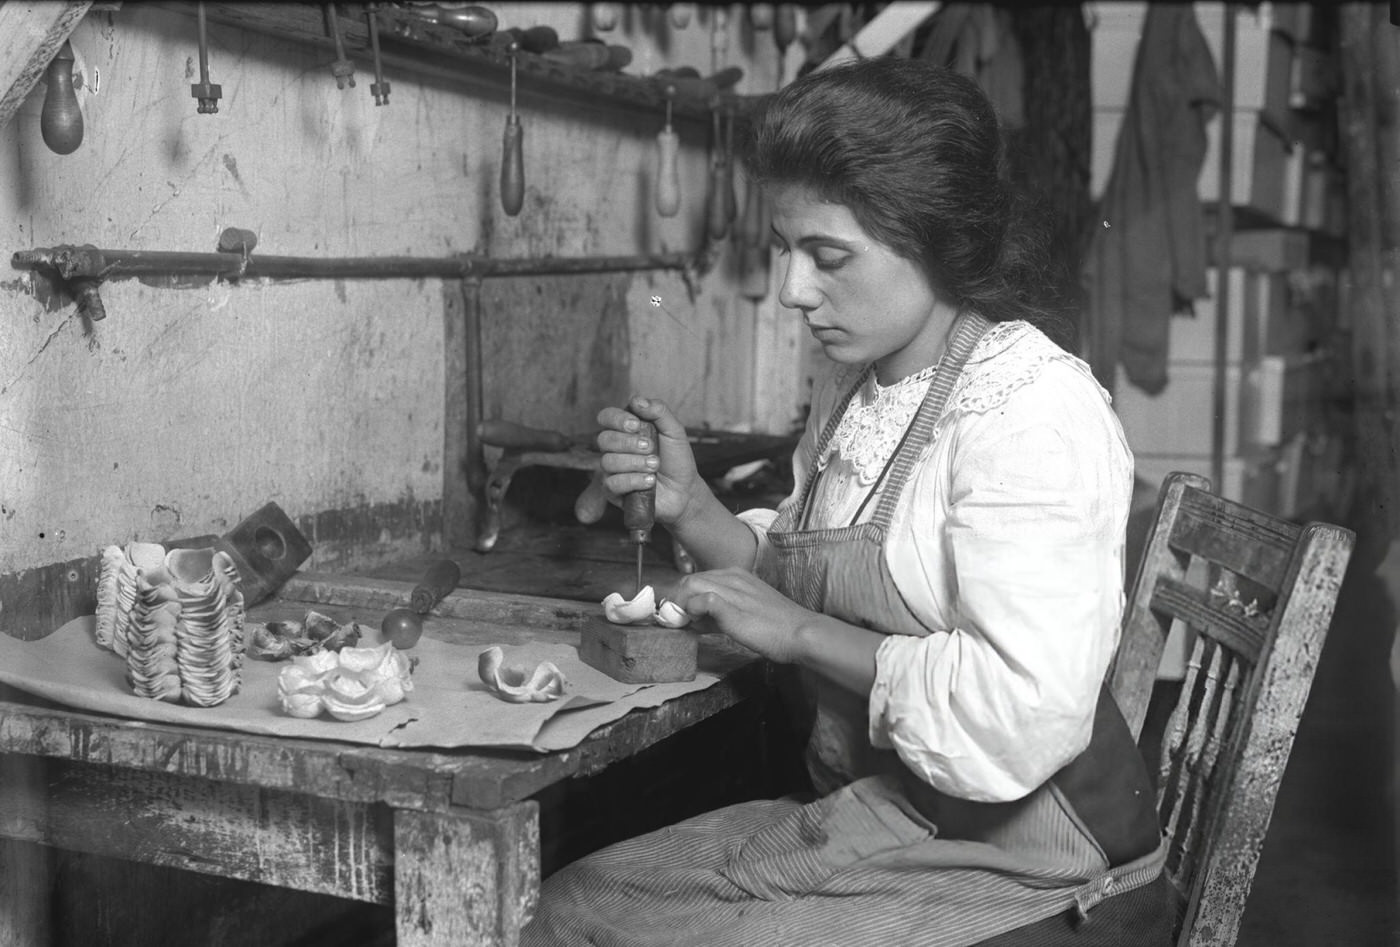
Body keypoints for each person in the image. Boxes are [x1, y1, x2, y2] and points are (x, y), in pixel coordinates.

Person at [523, 57, 1171, 946]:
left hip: (1037, 867)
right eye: (784, 249)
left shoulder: (1027, 412)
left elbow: (1020, 711)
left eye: (828, 257)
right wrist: (693, 508)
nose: (793, 290)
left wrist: (798, 636)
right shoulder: (856, 388)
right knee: (564, 906)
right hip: (889, 814)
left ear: (936, 238)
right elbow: (799, 578)